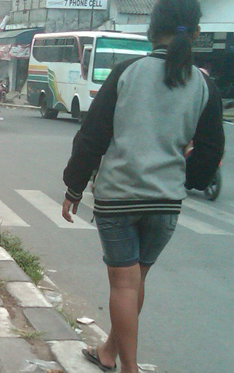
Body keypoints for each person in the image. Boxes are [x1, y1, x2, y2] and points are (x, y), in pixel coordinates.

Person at [61, 1, 224, 372]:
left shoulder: (127, 73)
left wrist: (73, 187)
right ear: (196, 33)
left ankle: (128, 368)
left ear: (152, 31)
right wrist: (185, 178)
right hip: (165, 202)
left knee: (124, 285)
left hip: (119, 197)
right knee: (135, 280)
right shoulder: (204, 85)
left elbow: (92, 137)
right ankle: (107, 352)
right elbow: (212, 150)